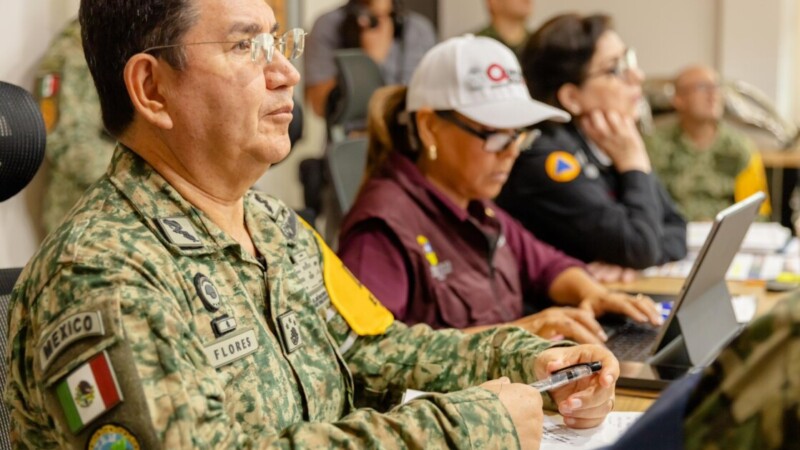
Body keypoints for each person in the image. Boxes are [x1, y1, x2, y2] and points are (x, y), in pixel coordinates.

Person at [5, 0, 618, 448]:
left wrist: (532, 360)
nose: (286, 73)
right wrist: (467, 428)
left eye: (279, 43)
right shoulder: (102, 271)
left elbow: (373, 347)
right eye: (245, 47)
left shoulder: (274, 224)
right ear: (152, 89)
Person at [338, 35, 663, 347]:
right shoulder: (382, 230)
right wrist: (523, 331)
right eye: (494, 135)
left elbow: (545, 265)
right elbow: (372, 352)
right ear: (429, 127)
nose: (511, 152)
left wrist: (593, 293)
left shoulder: (476, 206)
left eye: (518, 135)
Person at [495, 13, 687, 282]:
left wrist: (637, 258)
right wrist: (634, 163)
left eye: (629, 60)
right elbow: (641, 246)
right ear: (572, 97)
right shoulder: (546, 159)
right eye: (615, 69)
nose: (637, 76)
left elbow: (676, 228)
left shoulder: (610, 141)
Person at [645, 65, 771, 221]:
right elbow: (644, 202)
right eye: (702, 87)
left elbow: (757, 212)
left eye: (717, 86)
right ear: (678, 99)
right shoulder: (653, 146)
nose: (713, 94)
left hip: (723, 232)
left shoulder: (741, 149)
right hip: (671, 231)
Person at [35, 18, 116, 235]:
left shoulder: (140, 34)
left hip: (119, 211)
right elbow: (65, 141)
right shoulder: (75, 48)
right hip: (83, 218)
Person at [304, 0, 437, 117]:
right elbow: (319, 106)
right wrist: (368, 62)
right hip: (353, 135)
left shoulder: (421, 30)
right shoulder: (327, 25)